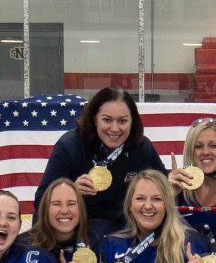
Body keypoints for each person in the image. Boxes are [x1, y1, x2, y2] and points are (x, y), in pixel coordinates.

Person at [36, 86, 166, 226]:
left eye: (122, 121)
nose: (115, 129)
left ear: (132, 120)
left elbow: (164, 188)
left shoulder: (141, 146)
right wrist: (70, 193)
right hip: (75, 226)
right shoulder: (70, 147)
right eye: (107, 120)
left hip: (121, 228)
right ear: (94, 119)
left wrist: (172, 186)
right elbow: (40, 200)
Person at [170, 117, 216, 251]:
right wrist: (166, 196)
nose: (205, 152)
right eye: (198, 146)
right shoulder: (175, 188)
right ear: (190, 152)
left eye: (213, 146)